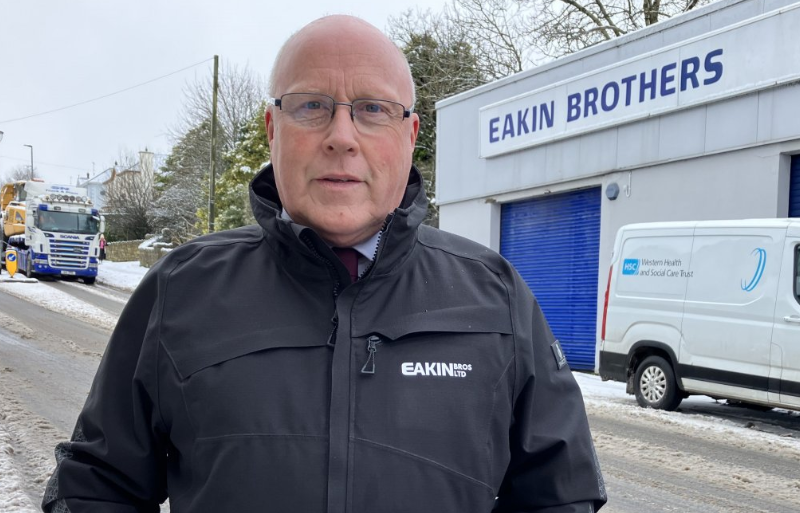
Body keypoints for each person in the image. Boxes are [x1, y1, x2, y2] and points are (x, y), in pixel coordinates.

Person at [42, 15, 606, 513]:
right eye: (312, 106)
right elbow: (99, 485)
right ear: (272, 130)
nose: (342, 137)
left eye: (373, 110)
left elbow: (560, 493)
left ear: (410, 136)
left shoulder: (496, 297)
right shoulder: (183, 289)